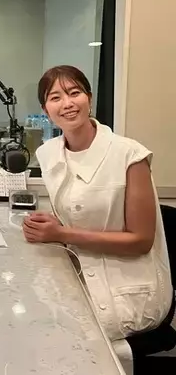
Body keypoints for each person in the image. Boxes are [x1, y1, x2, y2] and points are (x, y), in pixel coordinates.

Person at [23, 65, 174, 359]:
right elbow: (76, 213)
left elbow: (141, 241)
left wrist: (62, 233)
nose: (67, 103)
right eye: (55, 97)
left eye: (74, 93)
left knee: (55, 344)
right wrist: (55, 223)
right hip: (80, 274)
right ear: (45, 110)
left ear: (89, 98)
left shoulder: (129, 154)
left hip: (128, 290)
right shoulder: (49, 153)